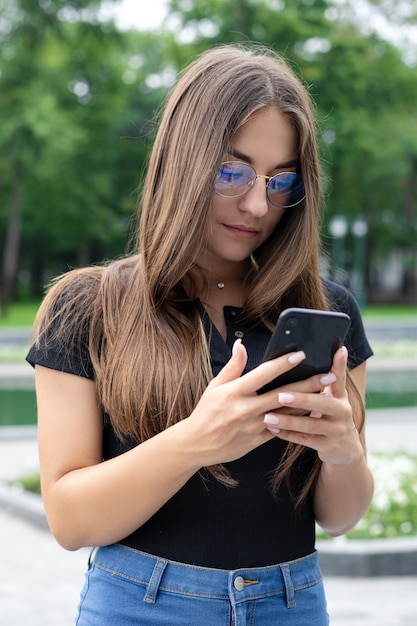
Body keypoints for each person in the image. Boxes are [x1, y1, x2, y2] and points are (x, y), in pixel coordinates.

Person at [27, 44, 374, 625]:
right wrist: (197, 440)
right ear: (181, 161)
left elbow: (339, 517)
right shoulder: (88, 307)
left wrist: (343, 453)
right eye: (231, 172)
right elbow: (69, 519)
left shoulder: (325, 311)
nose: (259, 204)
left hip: (291, 605)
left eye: (280, 179)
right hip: (138, 607)